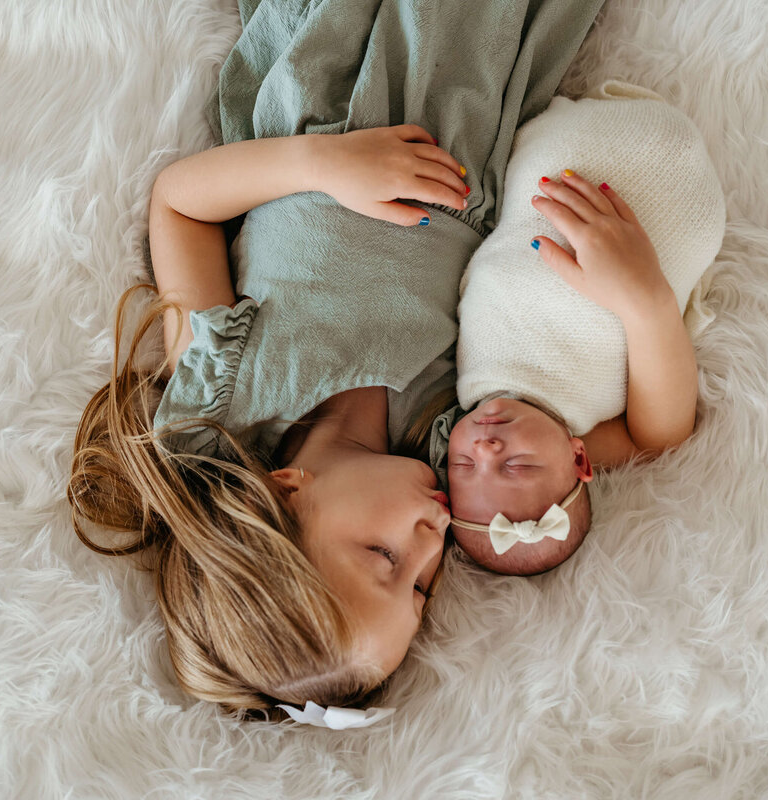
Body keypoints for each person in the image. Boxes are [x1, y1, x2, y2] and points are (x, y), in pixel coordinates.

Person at [67, 0, 606, 720]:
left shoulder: (225, 401)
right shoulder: (452, 447)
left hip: (335, 91)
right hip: (471, 107)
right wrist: (645, 303)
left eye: (385, 559)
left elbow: (181, 205)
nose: (432, 543)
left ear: (288, 493)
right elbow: (645, 438)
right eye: (421, 589)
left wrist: (324, 165)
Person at [440, 81, 727, 576]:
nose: (484, 451)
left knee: (544, 163)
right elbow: (661, 439)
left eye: (462, 467)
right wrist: (643, 300)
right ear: (580, 461)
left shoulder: (457, 395)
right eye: (517, 466)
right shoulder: (580, 426)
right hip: (648, 220)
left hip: (557, 177)